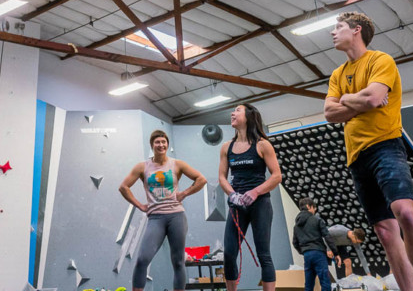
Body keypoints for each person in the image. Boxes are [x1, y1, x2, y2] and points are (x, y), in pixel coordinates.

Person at [323, 12, 413, 291]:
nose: (332, 33)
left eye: (338, 28)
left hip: (385, 145)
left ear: (357, 30)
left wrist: (347, 101)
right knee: (385, 232)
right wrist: (358, 100)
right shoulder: (338, 74)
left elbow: (374, 98)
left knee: (406, 214)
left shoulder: (380, 60)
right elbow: (329, 112)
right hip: (356, 157)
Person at [119, 129, 208, 291]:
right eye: (157, 142)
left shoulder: (177, 164)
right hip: (155, 218)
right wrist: (140, 205)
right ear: (152, 145)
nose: (161, 145)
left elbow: (201, 179)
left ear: (167, 144)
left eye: (163, 142)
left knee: (178, 261)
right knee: (142, 259)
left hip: (176, 217)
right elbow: (123, 187)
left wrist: (184, 194)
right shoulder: (142, 167)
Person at [219, 104, 282, 291]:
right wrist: (232, 194)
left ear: (249, 116)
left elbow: (277, 176)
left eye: (237, 110)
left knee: (264, 254)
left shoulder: (262, 144)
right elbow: (222, 177)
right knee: (229, 254)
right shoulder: (226, 147)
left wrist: (255, 192)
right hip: (237, 205)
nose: (232, 113)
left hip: (260, 204)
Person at [293, 197, 337, 291]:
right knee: (325, 282)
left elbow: (295, 243)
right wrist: (335, 252)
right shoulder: (317, 220)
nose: (315, 210)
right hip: (319, 253)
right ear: (309, 206)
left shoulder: (296, 226)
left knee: (309, 285)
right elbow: (327, 236)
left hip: (307, 255)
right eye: (314, 207)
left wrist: (304, 251)